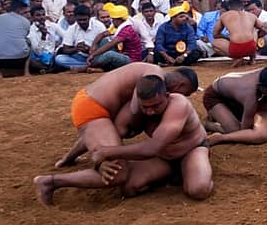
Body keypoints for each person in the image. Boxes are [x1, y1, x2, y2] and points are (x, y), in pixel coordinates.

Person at [34, 74, 212, 205]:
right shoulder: (134, 110)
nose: (150, 111)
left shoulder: (178, 104)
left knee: (198, 189)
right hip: (164, 157)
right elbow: (110, 135)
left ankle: (194, 163)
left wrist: (106, 152)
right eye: (146, 107)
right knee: (129, 187)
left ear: (167, 95)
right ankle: (53, 181)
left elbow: (152, 147)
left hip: (191, 149)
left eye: (156, 106)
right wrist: (90, 156)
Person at [53, 63, 199, 168]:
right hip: (92, 107)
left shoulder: (155, 75)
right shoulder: (155, 75)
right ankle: (53, 181)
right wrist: (136, 126)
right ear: (181, 85)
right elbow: (135, 108)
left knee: (111, 129)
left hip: (91, 102)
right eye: (186, 94)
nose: (182, 97)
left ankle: (68, 158)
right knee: (117, 162)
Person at [213, 0, 266, 67]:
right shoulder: (251, 15)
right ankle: (252, 58)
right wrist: (258, 38)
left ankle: (237, 58)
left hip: (235, 49)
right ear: (242, 6)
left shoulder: (225, 15)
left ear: (229, 7)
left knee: (214, 43)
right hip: (251, 47)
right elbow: (264, 30)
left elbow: (215, 34)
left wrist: (227, 38)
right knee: (253, 30)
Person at [154, 1, 202, 66]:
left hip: (183, 53)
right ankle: (173, 62)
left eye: (185, 17)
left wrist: (184, 56)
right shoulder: (163, 27)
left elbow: (192, 44)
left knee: (196, 53)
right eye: (181, 17)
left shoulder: (188, 27)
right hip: (168, 53)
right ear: (173, 18)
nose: (184, 19)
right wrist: (167, 57)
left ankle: (173, 63)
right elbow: (159, 44)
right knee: (157, 54)